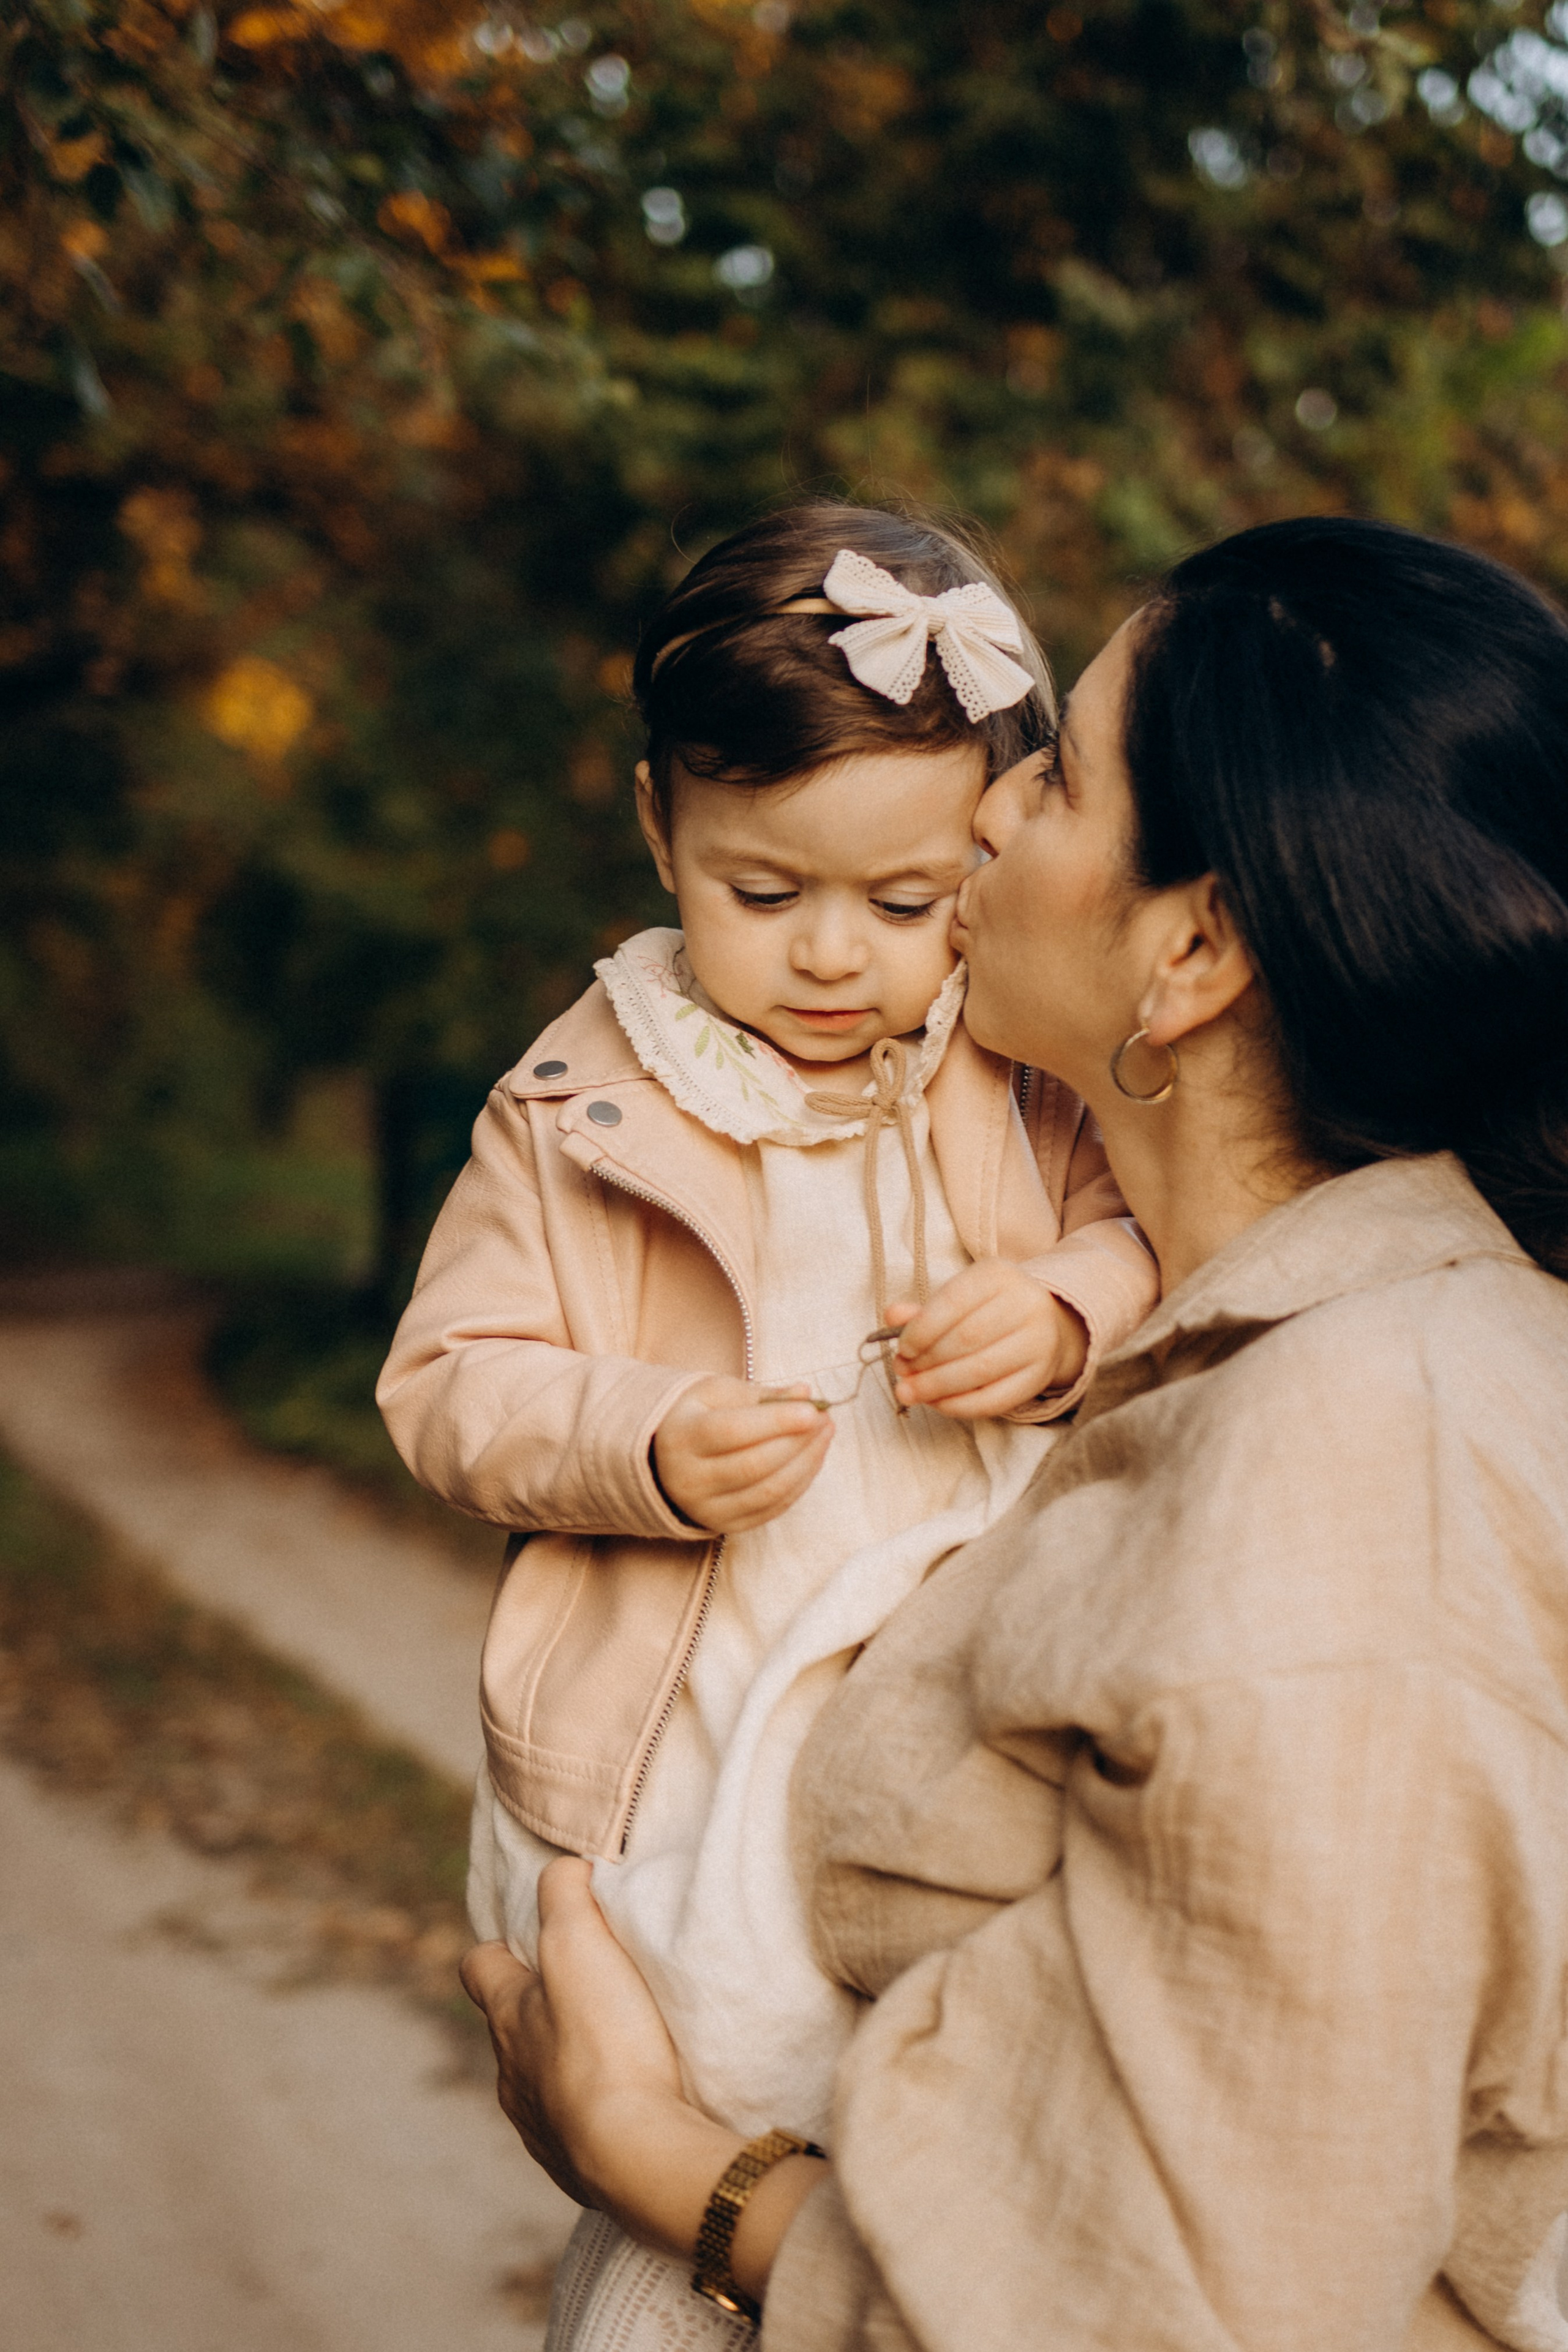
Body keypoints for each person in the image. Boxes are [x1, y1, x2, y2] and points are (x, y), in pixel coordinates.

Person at [459, 514, 1568, 2352]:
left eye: (1050, 777)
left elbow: (1171, 2318)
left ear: (1195, 947)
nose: (978, 817)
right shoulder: (1262, 1364)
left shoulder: (1364, 1471)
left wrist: (665, 2161)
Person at [377, 503, 1159, 2343]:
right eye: (762, 892)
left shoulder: (1032, 1060)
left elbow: (1161, 1233)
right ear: (660, 827)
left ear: (994, 838)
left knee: (954, 2094)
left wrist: (1064, 1305)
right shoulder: (584, 1100)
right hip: (697, 1696)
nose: (834, 957)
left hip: (963, 1685)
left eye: (905, 903)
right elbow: (446, 1377)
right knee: (701, 2103)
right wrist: (635, 1438)